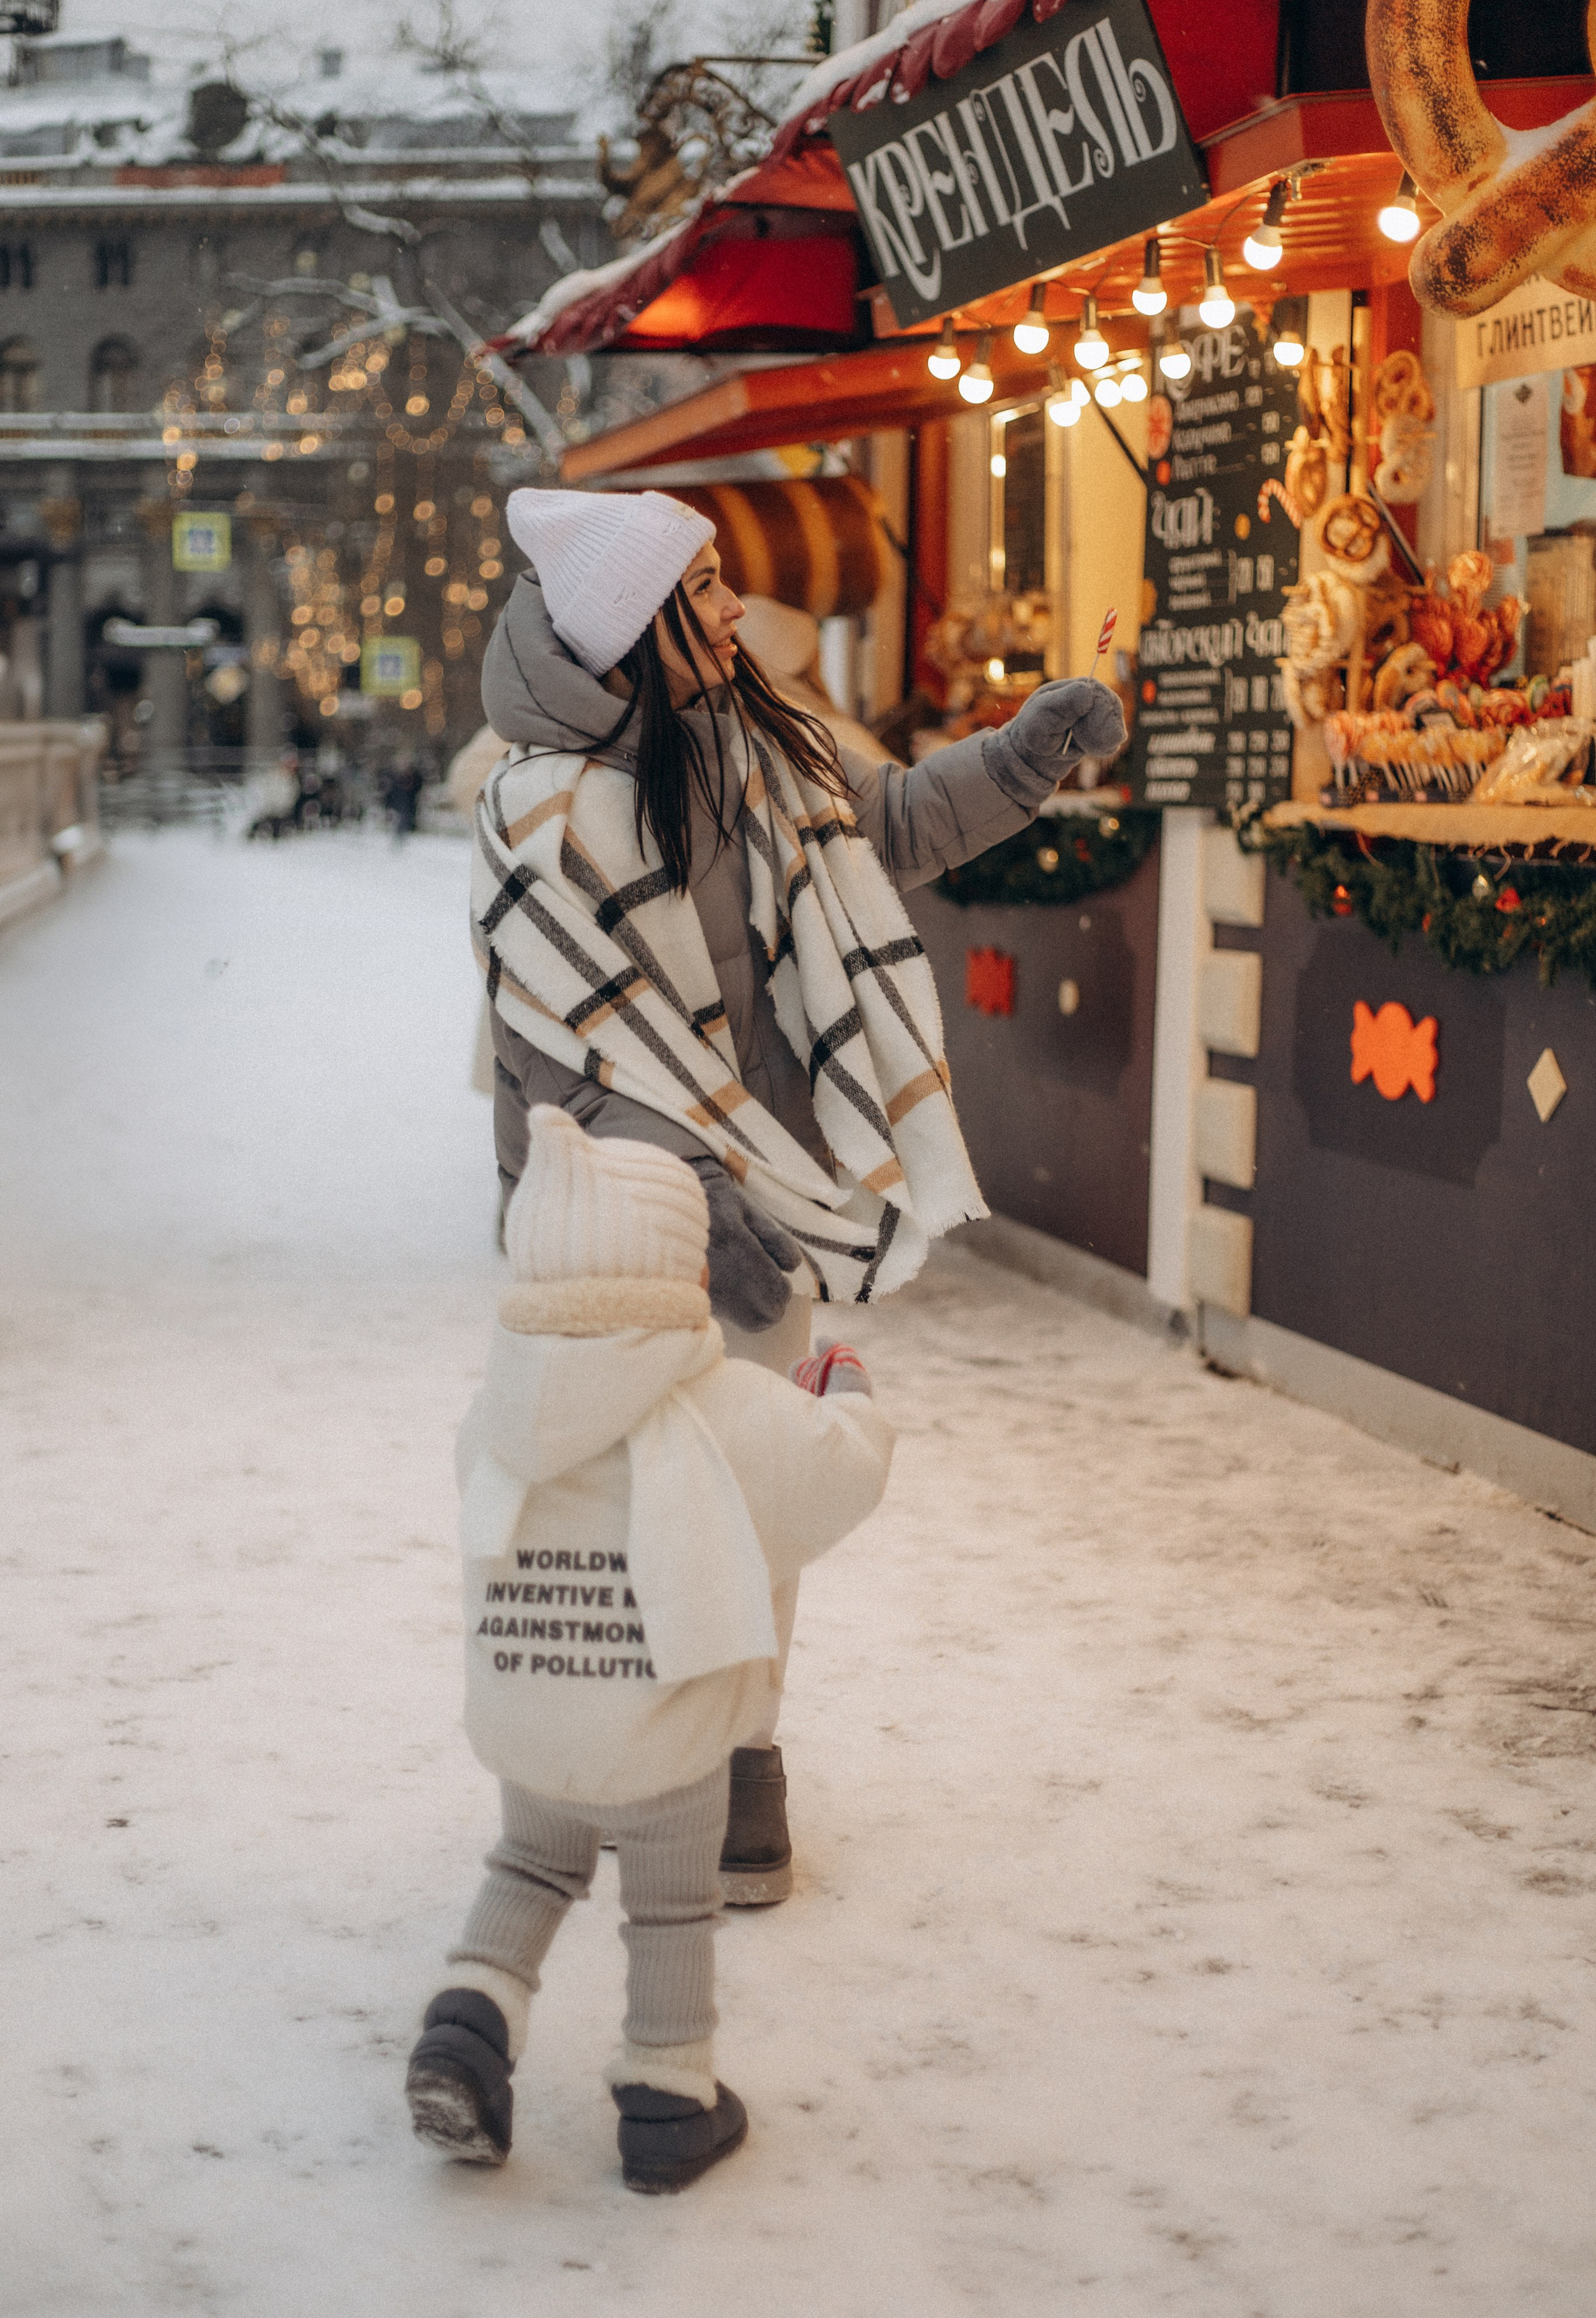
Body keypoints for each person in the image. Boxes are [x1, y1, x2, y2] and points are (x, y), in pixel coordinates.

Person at [471, 486, 1125, 1903]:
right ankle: (613, 1764)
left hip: (769, 1197)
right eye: (703, 590)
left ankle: (739, 1762)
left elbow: (884, 822)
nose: (732, 610)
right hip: (618, 1229)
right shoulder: (534, 806)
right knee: (620, 1502)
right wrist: (701, 1202)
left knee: (750, 1496)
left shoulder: (762, 744)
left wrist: (1022, 759)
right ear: (639, 623)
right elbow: (559, 1060)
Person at [407, 1108, 893, 2190]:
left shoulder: (502, 1407)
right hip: (667, 1737)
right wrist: (849, 1393)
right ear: (683, 1265)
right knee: (669, 1901)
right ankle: (670, 2098)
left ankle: (468, 2024)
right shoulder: (724, 1405)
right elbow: (838, 1475)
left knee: (531, 1865)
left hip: (529, 1720)